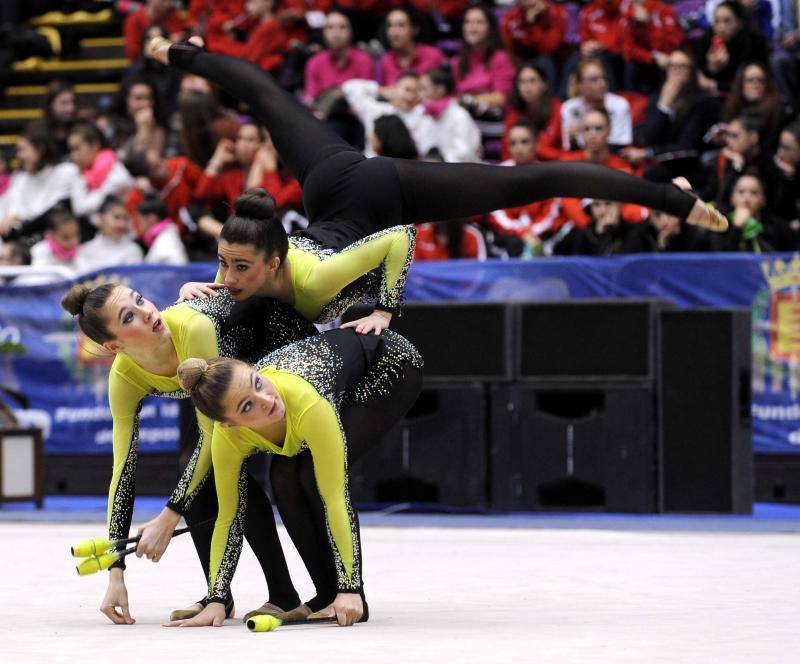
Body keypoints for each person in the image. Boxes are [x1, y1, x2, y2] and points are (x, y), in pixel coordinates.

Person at [148, 37, 728, 333]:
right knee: (268, 95)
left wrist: (386, 310)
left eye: (230, 274)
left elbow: (399, 237)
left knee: (530, 181)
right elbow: (254, 85)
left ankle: (675, 198)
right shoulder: (245, 285)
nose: (227, 281)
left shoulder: (278, 287)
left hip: (381, 199)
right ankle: (184, 54)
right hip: (330, 181)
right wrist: (203, 288)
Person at [59, 276, 318, 625]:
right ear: (113, 346)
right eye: (128, 317)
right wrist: (115, 572)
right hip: (241, 391)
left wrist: (169, 515)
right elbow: (122, 472)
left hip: (285, 357)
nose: (147, 311)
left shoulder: (192, 329)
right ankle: (218, 595)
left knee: (226, 465)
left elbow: (213, 436)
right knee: (194, 468)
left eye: (140, 299)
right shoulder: (124, 378)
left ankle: (282, 593)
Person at [166, 326, 424, 627]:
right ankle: (328, 592)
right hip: (337, 380)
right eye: (247, 406)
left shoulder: (308, 403)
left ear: (256, 370)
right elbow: (228, 517)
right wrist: (217, 597)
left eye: (258, 383)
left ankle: (348, 593)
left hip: (388, 365)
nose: (265, 400)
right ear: (228, 425)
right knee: (284, 477)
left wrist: (350, 589)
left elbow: (336, 498)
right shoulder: (229, 441)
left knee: (314, 477)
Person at [0, 123, 78, 239]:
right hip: (21, 235)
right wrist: (12, 216)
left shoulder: (66, 171)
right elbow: (12, 205)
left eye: (23, 150)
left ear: (40, 149)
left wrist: (17, 216)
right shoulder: (22, 178)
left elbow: (49, 211)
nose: (19, 156)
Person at [342, 72, 435, 158]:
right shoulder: (376, 109)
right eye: (407, 90)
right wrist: (381, 90)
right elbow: (349, 87)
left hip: (405, 167)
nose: (411, 96)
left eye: (416, 92)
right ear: (394, 88)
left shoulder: (422, 116)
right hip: (370, 163)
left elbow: (426, 150)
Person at [452, 4, 516, 118]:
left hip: (493, 119)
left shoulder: (500, 58)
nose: (472, 27)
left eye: (479, 22)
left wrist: (470, 100)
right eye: (468, 22)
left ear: (490, 28)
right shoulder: (457, 61)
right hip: (466, 117)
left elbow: (501, 98)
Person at [561, 58, 633, 151]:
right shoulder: (569, 107)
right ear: (579, 84)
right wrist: (573, 141)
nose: (602, 84)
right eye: (594, 80)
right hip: (581, 160)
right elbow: (567, 146)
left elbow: (622, 142)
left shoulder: (619, 105)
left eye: (604, 78)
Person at [68, 124, 134, 220]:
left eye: (77, 148)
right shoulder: (82, 173)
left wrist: (80, 179)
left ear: (94, 146)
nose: (73, 156)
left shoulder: (114, 167)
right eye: (71, 150)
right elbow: (79, 209)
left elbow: (81, 208)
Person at [74, 196, 144, 273]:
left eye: (125, 219)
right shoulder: (84, 250)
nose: (121, 224)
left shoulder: (133, 250)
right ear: (100, 218)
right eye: (117, 217)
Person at [379, 7, 445, 85]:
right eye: (390, 26)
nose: (394, 33)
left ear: (414, 29)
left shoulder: (433, 56)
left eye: (401, 26)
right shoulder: (386, 61)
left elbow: (447, 90)